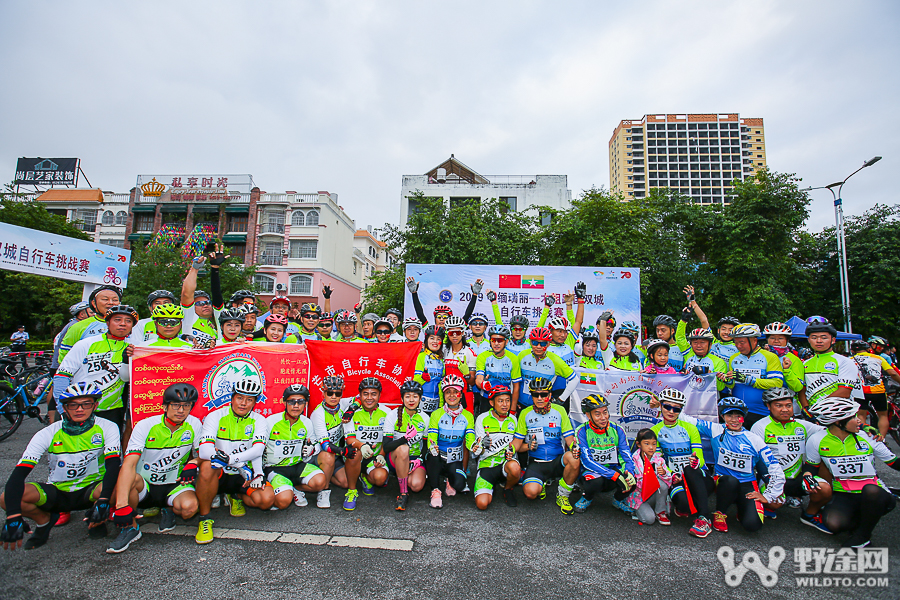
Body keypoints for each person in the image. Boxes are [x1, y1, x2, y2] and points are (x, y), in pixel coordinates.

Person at [0, 382, 120, 551]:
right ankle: (44, 522)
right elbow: (19, 474)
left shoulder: (107, 427)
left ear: (95, 405)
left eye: (86, 404)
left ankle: (96, 518)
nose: (80, 409)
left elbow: (113, 464)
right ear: (64, 407)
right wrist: (12, 516)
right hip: (57, 491)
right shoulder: (48, 433)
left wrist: (103, 501)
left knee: (123, 482)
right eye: (73, 405)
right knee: (6, 498)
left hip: (92, 489)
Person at [107, 383, 202, 553]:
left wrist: (193, 463)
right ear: (165, 406)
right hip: (145, 485)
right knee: (129, 480)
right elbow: (129, 463)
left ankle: (168, 508)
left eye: (186, 406)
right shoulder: (145, 425)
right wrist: (121, 506)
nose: (181, 410)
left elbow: (203, 454)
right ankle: (130, 528)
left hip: (173, 483)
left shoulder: (194, 424)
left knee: (189, 508)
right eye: (175, 405)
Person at [680, 397, 785, 533]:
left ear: (744, 417)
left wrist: (768, 495)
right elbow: (686, 419)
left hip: (747, 484)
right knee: (730, 481)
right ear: (723, 416)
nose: (734, 420)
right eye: (730, 415)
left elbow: (774, 466)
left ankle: (742, 509)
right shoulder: (716, 429)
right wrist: (660, 406)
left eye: (739, 416)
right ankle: (720, 513)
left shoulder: (754, 439)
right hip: (724, 482)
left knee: (752, 525)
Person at [807, 397, 900, 548]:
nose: (859, 421)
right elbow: (811, 467)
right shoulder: (817, 439)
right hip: (844, 493)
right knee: (834, 524)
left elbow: (895, 463)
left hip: (874, 493)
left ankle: (863, 536)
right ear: (838, 422)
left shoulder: (868, 437)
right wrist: (808, 479)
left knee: (871, 491)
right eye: (853, 417)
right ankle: (864, 519)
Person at [194, 378, 274, 544]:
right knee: (208, 466)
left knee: (266, 500)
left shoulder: (259, 420)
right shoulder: (215, 416)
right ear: (232, 398)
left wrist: (256, 473)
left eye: (249, 399)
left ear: (255, 402)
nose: (243, 403)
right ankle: (205, 519)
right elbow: (204, 450)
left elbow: (258, 450)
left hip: (243, 476)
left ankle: (234, 495)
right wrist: (236, 463)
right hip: (221, 472)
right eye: (240, 397)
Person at [749, 387, 832, 529]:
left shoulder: (801, 425)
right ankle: (769, 505)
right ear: (768, 406)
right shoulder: (760, 426)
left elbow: (829, 432)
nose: (785, 410)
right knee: (775, 503)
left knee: (824, 489)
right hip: (772, 478)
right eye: (779, 406)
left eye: (788, 405)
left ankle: (810, 514)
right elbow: (754, 459)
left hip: (797, 477)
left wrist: (863, 429)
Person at [54, 304, 138, 430]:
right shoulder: (86, 344)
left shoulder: (133, 348)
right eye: (117, 320)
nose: (123, 324)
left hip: (113, 409)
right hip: (81, 408)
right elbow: (62, 376)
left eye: (128, 321)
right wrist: (63, 408)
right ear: (108, 323)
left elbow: (127, 378)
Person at [649, 389, 714, 538]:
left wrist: (696, 462)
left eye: (676, 408)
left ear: (680, 410)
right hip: (675, 478)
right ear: (661, 406)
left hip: (697, 475)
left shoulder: (690, 428)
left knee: (690, 470)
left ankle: (705, 518)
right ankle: (693, 503)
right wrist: (671, 475)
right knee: (684, 504)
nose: (671, 411)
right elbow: (659, 460)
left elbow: (700, 458)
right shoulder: (655, 431)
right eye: (667, 407)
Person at [515, 378, 580, 515]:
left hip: (557, 461)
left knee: (574, 458)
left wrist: (574, 447)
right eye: (535, 395)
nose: (540, 398)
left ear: (550, 395)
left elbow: (569, 439)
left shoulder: (560, 410)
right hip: (537, 463)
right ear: (531, 396)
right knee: (530, 493)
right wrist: (525, 447)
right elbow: (517, 445)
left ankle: (563, 495)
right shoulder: (525, 413)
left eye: (543, 394)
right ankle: (542, 483)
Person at [265, 385, 328, 511]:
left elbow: (315, 444)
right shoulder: (271, 421)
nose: (296, 406)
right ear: (284, 402)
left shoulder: (306, 422)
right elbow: (258, 448)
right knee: (283, 502)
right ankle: (285, 490)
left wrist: (312, 450)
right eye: (292, 402)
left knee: (321, 482)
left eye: (300, 402)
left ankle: (294, 488)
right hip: (275, 468)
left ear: (305, 404)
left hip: (297, 465)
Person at [573, 394, 637, 515]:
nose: (603, 417)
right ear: (588, 415)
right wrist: (613, 475)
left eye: (605, 412)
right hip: (592, 471)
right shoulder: (581, 431)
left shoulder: (617, 429)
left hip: (613, 468)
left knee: (634, 477)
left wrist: (629, 472)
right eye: (597, 414)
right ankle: (587, 498)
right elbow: (587, 461)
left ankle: (618, 500)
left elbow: (626, 455)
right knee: (594, 483)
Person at [340, 378, 389, 510]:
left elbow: (387, 439)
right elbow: (349, 439)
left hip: (374, 456)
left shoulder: (387, 413)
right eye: (365, 394)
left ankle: (364, 476)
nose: (369, 398)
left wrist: (382, 455)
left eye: (373, 394)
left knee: (380, 479)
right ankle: (351, 491)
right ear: (359, 395)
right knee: (354, 452)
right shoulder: (351, 413)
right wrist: (361, 445)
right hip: (356, 454)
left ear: (379, 395)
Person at [426, 376, 474, 509]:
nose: (452, 395)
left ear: (461, 395)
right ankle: (435, 490)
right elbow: (431, 438)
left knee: (459, 485)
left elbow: (469, 441)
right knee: (433, 455)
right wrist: (432, 446)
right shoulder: (436, 414)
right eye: (448, 392)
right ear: (444, 394)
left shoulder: (468, 416)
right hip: (437, 457)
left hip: (454, 458)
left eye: (455, 392)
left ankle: (449, 480)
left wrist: (476, 446)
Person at [470, 385, 521, 510]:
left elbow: (518, 445)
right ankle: (490, 486)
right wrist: (482, 444)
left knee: (514, 467)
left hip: (506, 464)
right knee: (482, 504)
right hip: (487, 465)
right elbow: (477, 451)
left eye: (507, 400)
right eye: (500, 401)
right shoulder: (482, 419)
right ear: (492, 402)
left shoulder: (513, 419)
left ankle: (508, 488)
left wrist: (530, 446)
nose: (505, 404)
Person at [798, 317, 860, 418]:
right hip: (813, 415)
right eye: (814, 338)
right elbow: (802, 389)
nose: (819, 341)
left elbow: (845, 391)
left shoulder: (845, 362)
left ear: (833, 340)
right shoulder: (804, 363)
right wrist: (806, 408)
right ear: (809, 340)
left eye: (824, 337)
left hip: (839, 414)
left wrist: (818, 408)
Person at [310, 376, 357, 508]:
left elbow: (360, 398)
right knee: (328, 455)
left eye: (338, 393)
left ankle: (325, 474)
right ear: (323, 393)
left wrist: (351, 409)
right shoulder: (318, 414)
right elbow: (325, 445)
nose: (334, 397)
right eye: (330, 393)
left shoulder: (342, 405)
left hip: (335, 454)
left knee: (346, 483)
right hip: (318, 455)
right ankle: (323, 491)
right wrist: (343, 451)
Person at [726, 323, 784, 428]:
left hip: (761, 412)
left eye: (742, 342)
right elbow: (732, 385)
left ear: (754, 340)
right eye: (736, 342)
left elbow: (777, 383)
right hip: (739, 412)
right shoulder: (733, 358)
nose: (738, 346)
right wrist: (728, 381)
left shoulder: (770, 357)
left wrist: (749, 380)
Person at [383, 379, 429, 511]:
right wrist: (405, 438)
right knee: (404, 448)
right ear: (402, 398)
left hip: (414, 459)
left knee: (416, 485)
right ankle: (403, 493)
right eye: (407, 396)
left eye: (415, 396)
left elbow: (426, 446)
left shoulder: (425, 418)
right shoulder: (392, 415)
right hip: (396, 458)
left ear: (420, 398)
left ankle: (402, 477)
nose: (411, 400)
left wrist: (420, 460)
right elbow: (386, 447)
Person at [48, 301, 94, 424]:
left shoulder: (75, 324)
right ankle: (54, 422)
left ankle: (53, 420)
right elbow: (65, 351)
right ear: (81, 314)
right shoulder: (75, 326)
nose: (92, 314)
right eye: (90, 312)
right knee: (57, 392)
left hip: (64, 364)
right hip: (63, 365)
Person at [517, 327, 577, 413]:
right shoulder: (522, 355)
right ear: (530, 342)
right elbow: (514, 380)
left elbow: (574, 379)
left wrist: (561, 399)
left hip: (543, 407)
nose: (538, 347)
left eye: (543, 344)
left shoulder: (555, 360)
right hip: (522, 405)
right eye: (535, 343)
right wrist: (513, 401)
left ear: (548, 344)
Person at [58, 285, 123, 364]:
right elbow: (65, 356)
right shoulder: (78, 327)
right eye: (105, 299)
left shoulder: (130, 326)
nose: (110, 302)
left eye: (115, 300)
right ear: (94, 303)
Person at [852, 338, 900, 437]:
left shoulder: (850, 360)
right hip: (878, 391)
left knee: (861, 415)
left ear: (853, 351)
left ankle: (864, 437)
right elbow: (892, 373)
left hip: (860, 391)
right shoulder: (878, 358)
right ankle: (881, 439)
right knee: (882, 416)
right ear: (867, 348)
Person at [625, 429, 673, 525]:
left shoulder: (659, 460)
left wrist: (663, 473)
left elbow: (669, 481)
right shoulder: (633, 461)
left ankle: (660, 512)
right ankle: (635, 510)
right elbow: (633, 483)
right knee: (649, 520)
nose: (651, 447)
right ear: (639, 444)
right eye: (647, 444)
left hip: (653, 495)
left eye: (654, 444)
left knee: (662, 485)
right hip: (639, 496)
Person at [474, 325, 521, 416]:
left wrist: (513, 409)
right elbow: (479, 378)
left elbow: (516, 387)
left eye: (499, 340)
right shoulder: (483, 356)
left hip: (505, 400)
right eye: (493, 340)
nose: (496, 343)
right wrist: (483, 384)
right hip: (487, 398)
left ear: (506, 341)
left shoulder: (513, 358)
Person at [763, 322, 805, 414]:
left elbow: (798, 387)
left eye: (780, 338)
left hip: (787, 406)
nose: (776, 341)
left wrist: (787, 371)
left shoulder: (794, 359)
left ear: (787, 340)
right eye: (772, 338)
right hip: (764, 405)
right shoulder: (761, 356)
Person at [179, 255, 220, 347]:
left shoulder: (214, 328)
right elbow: (186, 294)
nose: (205, 305)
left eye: (207, 302)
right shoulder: (190, 318)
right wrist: (195, 268)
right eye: (200, 304)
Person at [443, 316, 477, 411]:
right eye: (451, 333)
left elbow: (472, 382)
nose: (454, 336)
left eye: (457, 333)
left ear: (462, 333)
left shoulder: (470, 353)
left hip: (465, 394)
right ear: (447, 334)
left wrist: (467, 374)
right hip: (448, 394)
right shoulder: (444, 351)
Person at [680, 328, 729, 393]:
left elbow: (720, 387)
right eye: (695, 342)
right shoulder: (689, 356)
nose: (698, 345)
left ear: (710, 344)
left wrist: (709, 374)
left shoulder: (719, 362)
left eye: (702, 342)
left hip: (707, 398)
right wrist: (682, 374)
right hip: (689, 396)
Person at [414, 325, 446, 414]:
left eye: (438, 339)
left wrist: (441, 404)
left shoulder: (441, 360)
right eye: (432, 338)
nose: (435, 341)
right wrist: (422, 378)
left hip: (436, 403)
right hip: (421, 401)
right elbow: (414, 381)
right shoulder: (421, 356)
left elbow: (440, 384)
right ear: (426, 340)